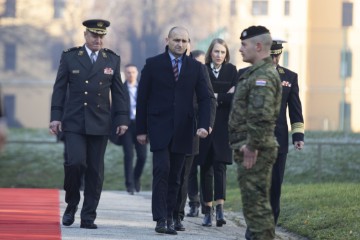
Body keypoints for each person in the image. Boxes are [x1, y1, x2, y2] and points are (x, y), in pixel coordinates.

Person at [49, 19, 129, 229]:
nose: (98, 40)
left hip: (100, 122)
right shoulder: (70, 57)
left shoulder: (111, 59)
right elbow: (59, 89)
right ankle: (72, 203)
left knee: (95, 171)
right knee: (75, 163)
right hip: (74, 121)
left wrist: (121, 118)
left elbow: (119, 93)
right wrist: (56, 116)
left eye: (101, 36)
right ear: (85, 35)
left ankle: (88, 216)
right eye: (94, 35)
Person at [136, 26, 211, 235]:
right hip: (159, 128)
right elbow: (142, 99)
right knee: (162, 170)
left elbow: (206, 99)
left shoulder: (196, 68)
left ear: (189, 43)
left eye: (184, 41)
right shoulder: (153, 65)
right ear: (167, 40)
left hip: (185, 130)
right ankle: (160, 218)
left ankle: (170, 216)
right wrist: (141, 130)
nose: (180, 44)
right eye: (176, 40)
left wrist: (204, 124)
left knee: (177, 176)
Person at [228, 26, 282, 240]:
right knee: (255, 207)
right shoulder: (256, 73)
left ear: (258, 46)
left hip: (255, 150)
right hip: (251, 147)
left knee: (256, 207)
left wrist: (252, 146)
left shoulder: (263, 77)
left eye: (244, 45)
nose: (240, 49)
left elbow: (262, 115)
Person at [172, 49, 217, 231]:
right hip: (173, 128)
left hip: (194, 129)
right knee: (171, 173)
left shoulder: (201, 74)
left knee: (184, 174)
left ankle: (178, 215)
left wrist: (206, 124)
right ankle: (166, 214)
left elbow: (209, 100)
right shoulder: (180, 72)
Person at [199, 38, 238, 227]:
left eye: (222, 52)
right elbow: (200, 96)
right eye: (216, 52)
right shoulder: (203, 70)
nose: (219, 56)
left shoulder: (232, 71)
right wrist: (223, 94)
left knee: (220, 167)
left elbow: (235, 97)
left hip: (223, 126)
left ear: (226, 54)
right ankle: (207, 210)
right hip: (206, 124)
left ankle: (220, 208)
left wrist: (214, 95)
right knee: (206, 167)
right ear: (210, 53)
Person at [270, 39, 305, 224]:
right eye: (270, 56)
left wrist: (298, 135)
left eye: (276, 56)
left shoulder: (289, 77)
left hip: (279, 139)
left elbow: (295, 109)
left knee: (275, 184)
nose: (274, 60)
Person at [121, 64, 148, 195]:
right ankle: (129, 184)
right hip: (126, 125)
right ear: (125, 74)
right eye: (128, 72)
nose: (131, 74)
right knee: (129, 155)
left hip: (141, 125)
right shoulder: (120, 89)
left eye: (133, 72)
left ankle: (136, 177)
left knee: (143, 156)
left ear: (137, 73)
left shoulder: (143, 88)